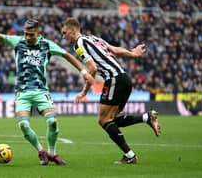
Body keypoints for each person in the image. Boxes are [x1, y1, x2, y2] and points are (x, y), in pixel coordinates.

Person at [0, 4, 94, 166]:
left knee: (52, 122)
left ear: (38, 33)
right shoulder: (18, 42)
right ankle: (41, 151)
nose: (27, 37)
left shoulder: (47, 45)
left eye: (31, 35)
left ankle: (52, 153)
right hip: (22, 92)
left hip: (41, 91)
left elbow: (67, 55)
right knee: (23, 125)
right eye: (26, 34)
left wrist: (83, 72)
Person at [61, 17, 161, 164]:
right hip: (124, 78)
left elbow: (92, 68)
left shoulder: (79, 45)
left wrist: (84, 91)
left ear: (73, 30)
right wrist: (133, 54)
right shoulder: (94, 38)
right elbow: (115, 50)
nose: (63, 37)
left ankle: (130, 156)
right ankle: (146, 117)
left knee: (104, 120)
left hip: (114, 79)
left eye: (64, 33)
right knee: (112, 119)